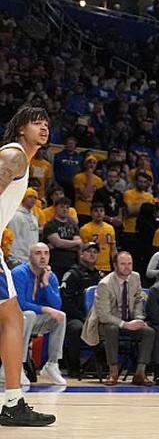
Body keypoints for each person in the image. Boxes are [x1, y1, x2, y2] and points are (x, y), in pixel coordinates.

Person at [0, 106, 55, 424]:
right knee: (12, 320)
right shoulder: (14, 156)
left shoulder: (22, 160)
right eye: (36, 123)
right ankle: (12, 402)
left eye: (46, 123)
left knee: (12, 318)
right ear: (20, 128)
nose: (44, 128)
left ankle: (12, 401)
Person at [81, 250, 156, 386]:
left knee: (149, 332)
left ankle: (140, 373)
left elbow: (139, 299)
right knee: (112, 329)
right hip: (106, 322)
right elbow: (104, 316)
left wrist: (138, 319)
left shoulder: (135, 277)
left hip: (129, 321)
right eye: (123, 264)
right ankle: (113, 371)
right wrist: (126, 325)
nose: (127, 267)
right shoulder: (105, 284)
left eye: (129, 264)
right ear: (115, 265)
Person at [12, 243, 67, 385]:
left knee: (61, 316)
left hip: (33, 321)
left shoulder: (50, 276)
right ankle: (19, 365)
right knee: (29, 314)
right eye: (38, 253)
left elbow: (57, 305)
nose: (43, 257)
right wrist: (46, 309)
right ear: (29, 256)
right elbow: (20, 304)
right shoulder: (19, 273)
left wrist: (46, 283)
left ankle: (52, 364)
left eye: (46, 253)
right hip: (14, 321)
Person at [60, 243, 102, 377]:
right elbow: (65, 301)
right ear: (81, 254)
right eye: (88, 251)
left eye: (95, 251)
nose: (92, 254)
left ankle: (98, 366)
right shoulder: (72, 274)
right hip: (75, 317)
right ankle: (73, 368)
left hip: (95, 317)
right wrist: (82, 317)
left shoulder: (100, 276)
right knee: (77, 328)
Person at [42, 196, 82, 273]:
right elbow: (58, 243)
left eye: (67, 207)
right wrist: (74, 244)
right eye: (62, 207)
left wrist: (59, 246)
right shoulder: (50, 225)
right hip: (55, 264)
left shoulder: (73, 224)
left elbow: (79, 245)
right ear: (55, 208)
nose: (65, 209)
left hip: (72, 265)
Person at [79, 203, 116, 273]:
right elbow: (81, 250)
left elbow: (113, 249)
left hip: (107, 267)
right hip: (92, 267)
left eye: (101, 211)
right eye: (96, 211)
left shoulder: (110, 228)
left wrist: (115, 265)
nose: (99, 213)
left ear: (104, 213)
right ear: (91, 213)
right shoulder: (85, 229)